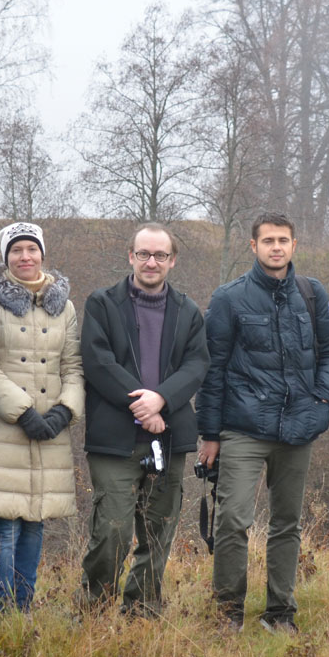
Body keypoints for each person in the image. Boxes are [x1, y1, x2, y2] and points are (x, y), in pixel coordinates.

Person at [195, 212, 329, 633]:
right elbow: (213, 369)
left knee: (287, 524)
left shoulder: (312, 294)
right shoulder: (228, 298)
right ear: (253, 246)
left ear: (294, 244)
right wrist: (208, 434)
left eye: (283, 240)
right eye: (268, 241)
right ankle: (227, 613)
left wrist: (321, 401)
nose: (276, 247)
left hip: (299, 429)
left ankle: (280, 613)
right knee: (232, 520)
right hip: (243, 428)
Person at [77, 223, 210, 617]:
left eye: (160, 255)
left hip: (169, 438)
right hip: (114, 437)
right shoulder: (101, 304)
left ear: (172, 261)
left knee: (159, 528)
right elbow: (98, 362)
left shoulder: (188, 311)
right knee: (113, 529)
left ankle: (142, 610)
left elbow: (197, 364)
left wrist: (162, 400)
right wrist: (142, 404)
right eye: (144, 254)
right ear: (130, 256)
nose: (152, 262)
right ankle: (92, 610)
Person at [0, 222, 84, 611]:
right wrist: (23, 412)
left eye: (32, 249)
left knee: (36, 521)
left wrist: (66, 410)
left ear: (42, 254)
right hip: (6, 426)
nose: (25, 257)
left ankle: (24, 607)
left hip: (51, 428)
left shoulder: (63, 306)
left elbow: (73, 367)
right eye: (16, 250)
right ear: (6, 257)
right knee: (4, 521)